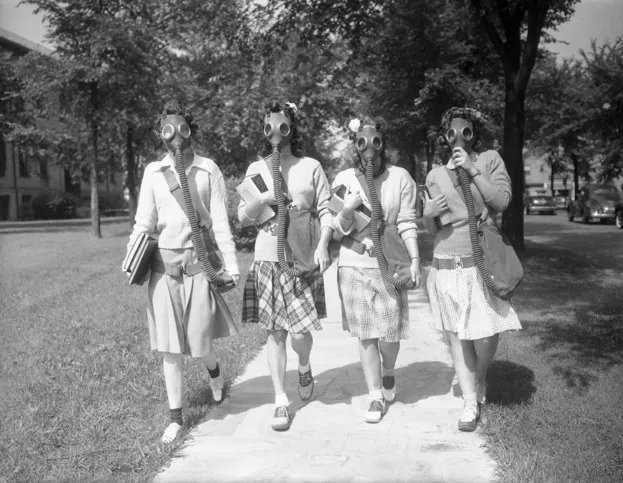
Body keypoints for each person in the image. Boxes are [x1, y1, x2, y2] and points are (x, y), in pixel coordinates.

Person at [125, 100, 241, 443]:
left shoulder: (208, 170)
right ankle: (175, 417)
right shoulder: (153, 172)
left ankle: (214, 372)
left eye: (182, 128)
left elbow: (220, 222)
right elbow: (144, 222)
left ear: (189, 130)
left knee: (200, 341)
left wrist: (231, 265)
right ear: (161, 134)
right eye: (168, 129)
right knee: (170, 348)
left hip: (198, 266)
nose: (176, 136)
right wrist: (130, 257)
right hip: (164, 270)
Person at [422, 107, 521, 432]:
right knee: (457, 334)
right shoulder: (435, 174)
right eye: (450, 132)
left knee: (488, 331)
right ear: (445, 136)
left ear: (473, 132)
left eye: (464, 130)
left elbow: (502, 201)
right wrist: (427, 213)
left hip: (481, 263)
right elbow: (433, 230)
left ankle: (479, 376)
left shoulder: (490, 159)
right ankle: (468, 402)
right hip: (447, 262)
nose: (457, 137)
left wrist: (473, 169)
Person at [238, 101, 333, 431]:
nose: (276, 130)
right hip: (267, 257)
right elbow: (241, 216)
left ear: (291, 126)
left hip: (300, 257)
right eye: (270, 125)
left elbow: (328, 209)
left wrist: (323, 245)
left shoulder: (311, 166)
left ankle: (304, 363)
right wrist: (262, 199)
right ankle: (280, 400)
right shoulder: (257, 169)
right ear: (265, 129)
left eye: (282, 124)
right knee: (274, 333)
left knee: (299, 333)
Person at [330, 117, 421, 423]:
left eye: (375, 141)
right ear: (355, 146)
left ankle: (389, 370)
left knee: (390, 333)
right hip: (353, 265)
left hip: (390, 265)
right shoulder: (344, 179)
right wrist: (345, 209)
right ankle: (374, 395)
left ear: (383, 142)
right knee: (366, 334)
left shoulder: (400, 178)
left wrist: (416, 260)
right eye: (362, 142)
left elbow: (407, 222)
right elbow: (337, 229)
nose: (369, 148)